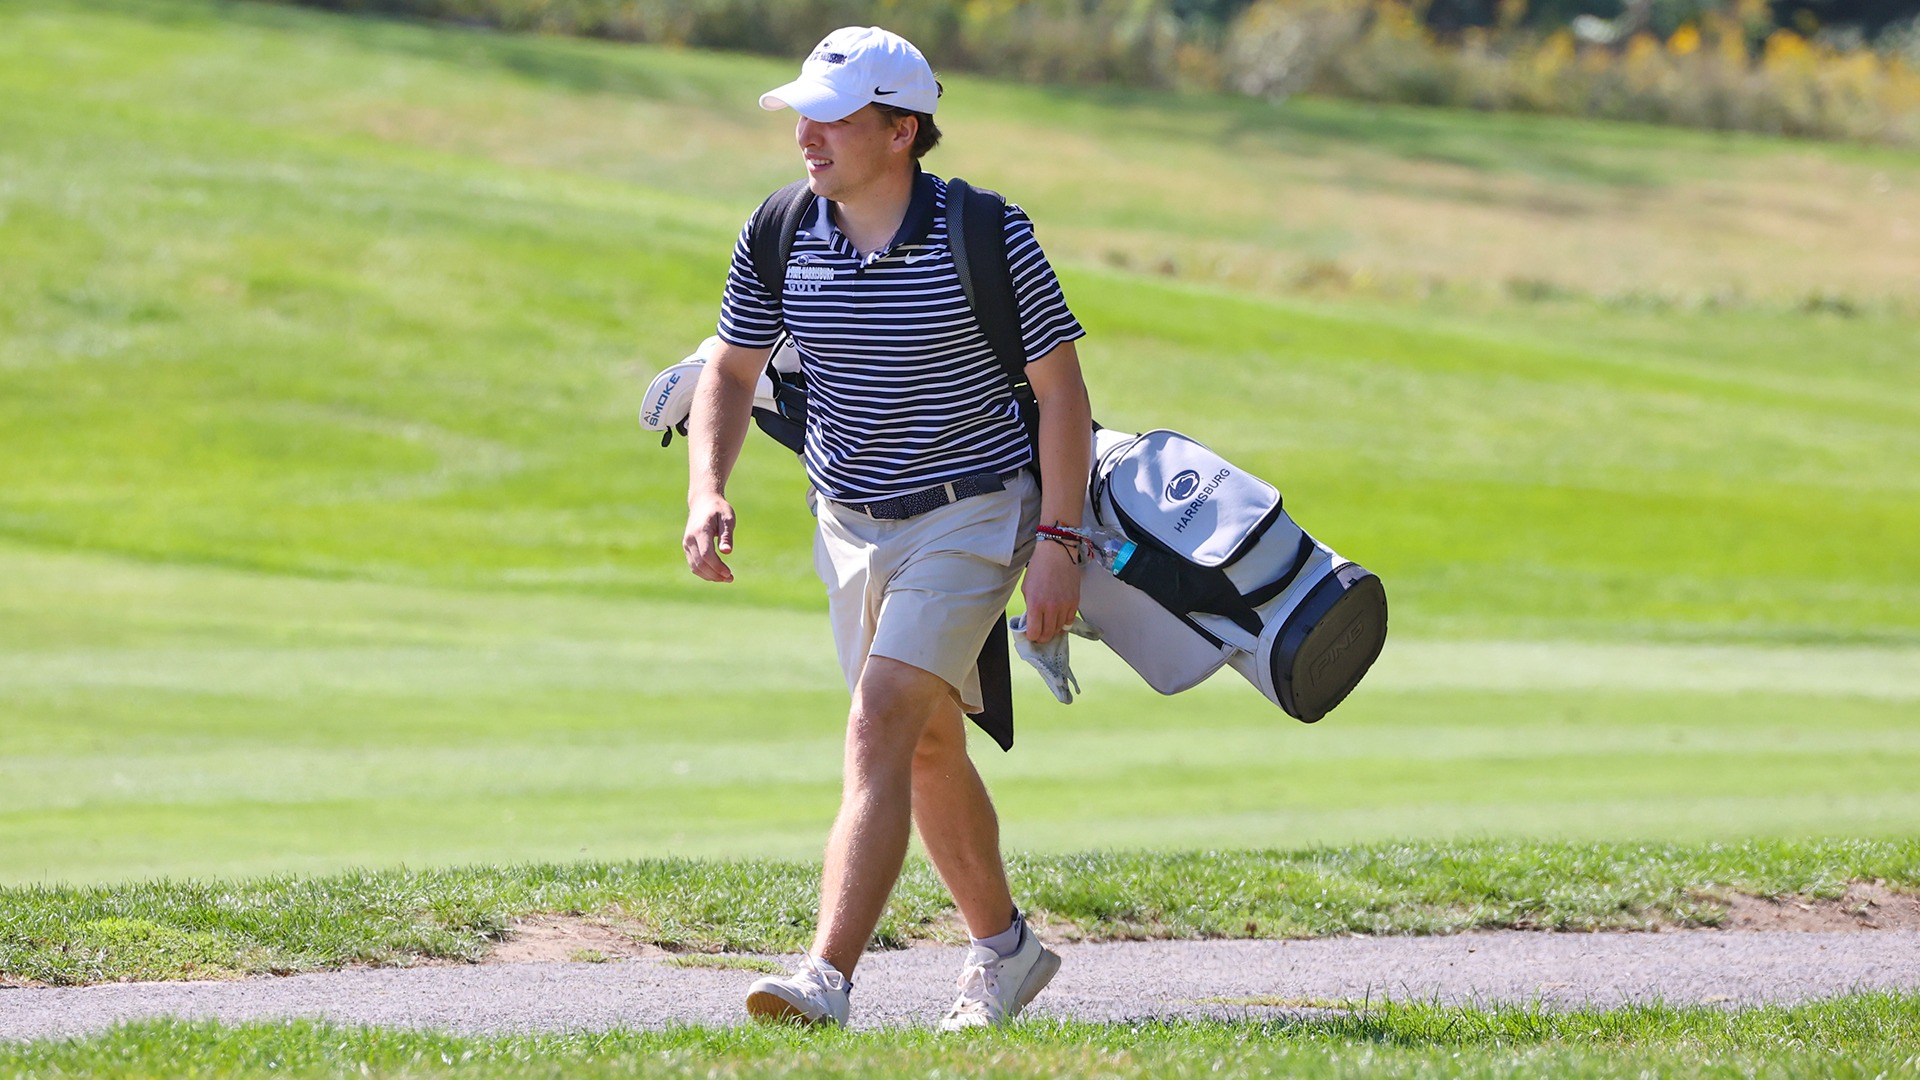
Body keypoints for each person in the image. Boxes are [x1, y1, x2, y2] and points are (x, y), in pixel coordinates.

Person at [680, 25, 1094, 1030]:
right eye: (802, 117)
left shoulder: (988, 233)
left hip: (973, 513)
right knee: (925, 747)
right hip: (849, 523)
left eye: (833, 118)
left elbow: (1062, 397)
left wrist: (1058, 543)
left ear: (903, 130)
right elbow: (730, 372)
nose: (806, 137)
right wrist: (708, 488)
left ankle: (825, 974)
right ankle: (1007, 952)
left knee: (877, 724)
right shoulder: (781, 228)